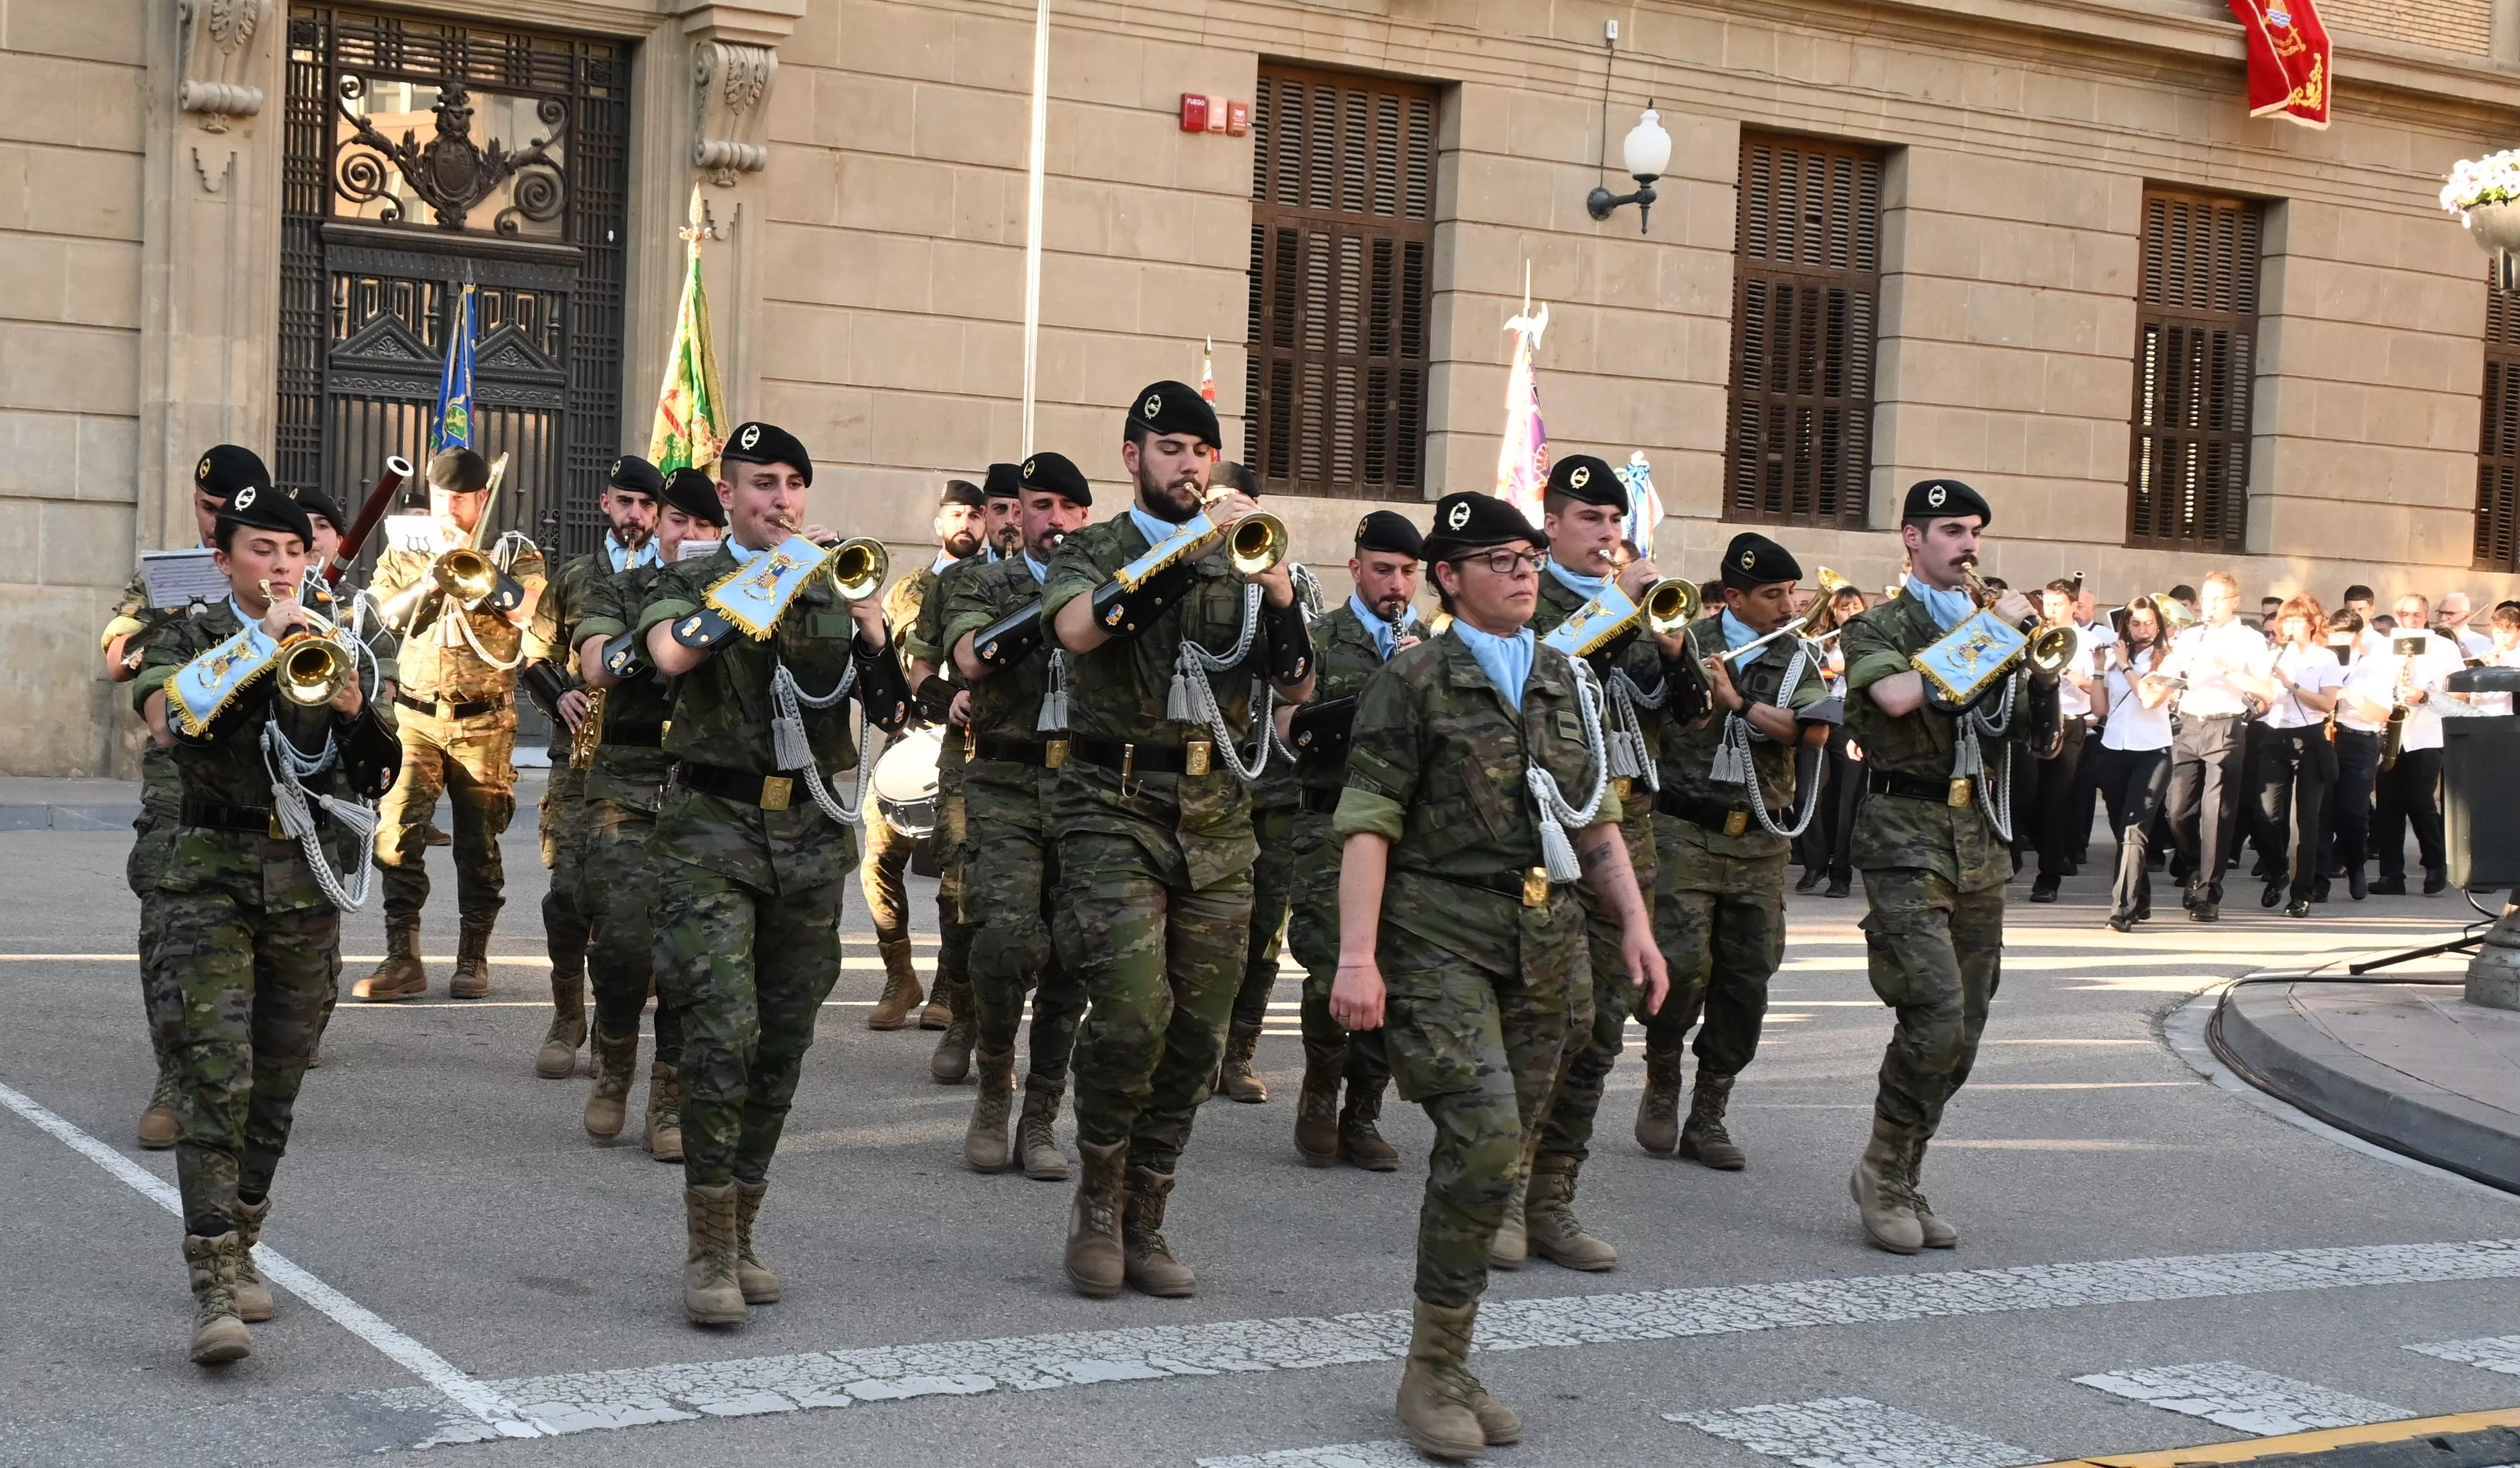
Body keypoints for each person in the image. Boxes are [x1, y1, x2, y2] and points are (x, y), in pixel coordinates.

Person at [1328, 490, 1667, 1462]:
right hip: (1438, 935)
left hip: (1546, 940)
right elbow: (1367, 820)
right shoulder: (1416, 679)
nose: (1523, 572)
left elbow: (1591, 814)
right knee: (1481, 1138)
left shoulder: (1561, 673)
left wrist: (1636, 926)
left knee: (1505, 1152)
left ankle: (1456, 1356)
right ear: (1449, 576)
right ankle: (1430, 1373)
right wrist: (1358, 958)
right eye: (1499, 559)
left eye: (1528, 556)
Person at [1040, 382, 1314, 1300]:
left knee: (1198, 1035)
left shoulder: (1245, 557)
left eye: (1202, 451)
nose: (1190, 466)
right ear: (1133, 459)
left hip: (1216, 814)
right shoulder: (1093, 548)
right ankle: (1097, 1198)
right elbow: (1080, 630)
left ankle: (1147, 1217)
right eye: (1171, 450)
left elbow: (1299, 686)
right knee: (1129, 1014)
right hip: (1110, 805)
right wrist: (1181, 557)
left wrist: (1275, 587)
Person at [634, 421, 911, 1325]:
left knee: (782, 1042)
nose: (782, 501)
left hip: (806, 840)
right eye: (762, 484)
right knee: (722, 1032)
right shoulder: (685, 575)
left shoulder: (836, 582)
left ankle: (744, 1224)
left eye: (794, 484)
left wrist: (871, 625)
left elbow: (891, 708)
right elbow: (671, 654)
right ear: (727, 492)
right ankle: (707, 1250)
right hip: (710, 832)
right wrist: (771, 578)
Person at [136, 482, 399, 1363]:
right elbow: (169, 719)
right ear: (224, 559)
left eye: (293, 552)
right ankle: (210, 1279)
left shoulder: (341, 637)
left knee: (278, 1080)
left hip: (302, 885)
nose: (281, 566)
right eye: (261, 551)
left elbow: (380, 769)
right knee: (219, 1073)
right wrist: (261, 644)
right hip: (206, 880)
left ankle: (244, 1236)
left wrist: (356, 705)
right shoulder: (187, 631)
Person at [1838, 478, 2058, 1255]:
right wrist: (1994, 637)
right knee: (1931, 1013)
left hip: (1980, 836)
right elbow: (1898, 697)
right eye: (1954, 531)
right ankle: (1882, 1172)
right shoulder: (1875, 627)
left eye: (1975, 533)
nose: (1970, 546)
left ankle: (1903, 1165)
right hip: (1905, 831)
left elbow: (2038, 737)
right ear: (1912, 538)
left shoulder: (1984, 623)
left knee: (1964, 1028)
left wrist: (2041, 665)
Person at [1516, 453, 1680, 1271]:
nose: (1607, 534)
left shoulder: (1643, 609)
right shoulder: (1526, 598)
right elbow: (1541, 676)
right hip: (1544, 833)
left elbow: (1679, 717)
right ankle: (1504, 1196)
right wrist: (1620, 608)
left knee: (1602, 1029)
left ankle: (1554, 1199)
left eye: (1615, 521)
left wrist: (1675, 642)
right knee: (1549, 1022)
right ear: (1553, 525)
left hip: (1625, 829)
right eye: (1591, 519)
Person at [1634, 533, 1818, 1175]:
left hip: (1760, 840)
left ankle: (1709, 1110)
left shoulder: (1798, 656)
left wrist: (1743, 704)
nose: (1787, 603)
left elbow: (1810, 728)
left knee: (1747, 981)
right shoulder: (1687, 638)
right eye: (1774, 594)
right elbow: (1650, 704)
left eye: (1791, 591)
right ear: (1734, 597)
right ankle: (1662, 1072)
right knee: (1682, 966)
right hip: (1685, 831)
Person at [945, 452, 1097, 1178]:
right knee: (1006, 938)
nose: (1055, 521)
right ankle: (993, 1083)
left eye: (1070, 509)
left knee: (1071, 953)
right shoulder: (984, 580)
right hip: (1005, 779)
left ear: (1086, 517)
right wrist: (1060, 604)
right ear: (1018, 512)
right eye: (1041, 506)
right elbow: (973, 658)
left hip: (1088, 787)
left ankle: (1041, 1112)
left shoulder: (1111, 587)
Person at [103, 445, 255, 1149]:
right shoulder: (162, 575)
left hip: (259, 775)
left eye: (225, 512)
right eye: (205, 509)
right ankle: (174, 1073)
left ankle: (244, 1065)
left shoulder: (284, 568)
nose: (211, 522)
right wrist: (165, 632)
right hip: (177, 777)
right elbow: (116, 656)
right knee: (168, 930)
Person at [566, 466, 720, 1161]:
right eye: (677, 521)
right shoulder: (618, 584)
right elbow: (596, 664)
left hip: (704, 787)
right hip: (626, 779)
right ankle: (617, 1054)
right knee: (625, 940)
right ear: (657, 523)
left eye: (702, 525)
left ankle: (669, 1090)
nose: (688, 535)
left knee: (691, 953)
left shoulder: (741, 596)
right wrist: (672, 629)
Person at [357, 448, 548, 1000]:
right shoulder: (406, 549)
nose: (449, 509)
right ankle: (403, 958)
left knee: (479, 842)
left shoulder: (514, 551)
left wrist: (476, 567)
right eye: (441, 498)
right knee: (396, 837)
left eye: (460, 499)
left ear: (481, 499)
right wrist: (431, 580)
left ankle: (473, 954)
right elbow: (380, 616)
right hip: (415, 716)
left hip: (484, 720)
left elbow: (527, 611)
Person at [1278, 511, 1421, 1170]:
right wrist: (1383, 691)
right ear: (1356, 568)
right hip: (1329, 824)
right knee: (1332, 968)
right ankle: (1318, 1090)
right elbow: (1291, 729)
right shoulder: (1321, 638)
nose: (1396, 584)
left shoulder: (1433, 646)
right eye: (1385, 569)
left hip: (1405, 833)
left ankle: (1364, 1110)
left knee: (1394, 969)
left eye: (1408, 572)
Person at [525, 455, 662, 1079]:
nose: (634, 513)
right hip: (578, 761)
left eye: (646, 504)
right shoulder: (576, 575)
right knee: (568, 896)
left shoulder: (673, 577)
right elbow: (534, 653)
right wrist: (559, 692)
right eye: (625, 500)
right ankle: (565, 1013)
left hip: (646, 763)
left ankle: (615, 1031)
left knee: (630, 907)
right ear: (606, 503)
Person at [863, 478, 988, 1030]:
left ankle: (943, 987)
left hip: (967, 746)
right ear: (939, 523)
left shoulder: (991, 584)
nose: (968, 523)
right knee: (876, 863)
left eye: (976, 514)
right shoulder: (907, 589)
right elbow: (887, 660)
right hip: (909, 741)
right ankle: (899, 975)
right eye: (957, 514)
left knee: (955, 878)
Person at [1218, 461, 1301, 1105]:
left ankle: (1239, 1048)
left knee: (1265, 923)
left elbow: (1303, 676)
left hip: (1269, 782)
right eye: (1222, 502)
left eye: (1244, 504)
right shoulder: (1180, 573)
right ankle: (1196, 1038)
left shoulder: (1293, 581)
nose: (1234, 515)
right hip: (1204, 779)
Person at [2155, 572, 2272, 922]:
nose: (2211, 606)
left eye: (2218, 599)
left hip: (2226, 724)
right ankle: (2195, 866)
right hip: (2188, 723)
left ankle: (2209, 892)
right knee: (2177, 810)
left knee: (2217, 811)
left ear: (2235, 601)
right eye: (2207, 599)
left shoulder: (2249, 639)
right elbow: (2168, 675)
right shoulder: (2190, 636)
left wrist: (2229, 672)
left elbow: (2267, 691)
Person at [2243, 595, 2341, 918]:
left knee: (2307, 821)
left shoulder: (2326, 658)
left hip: (2310, 738)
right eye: (2287, 620)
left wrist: (2293, 684)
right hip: (2276, 735)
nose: (2290, 625)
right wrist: (2255, 702)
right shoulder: (2276, 655)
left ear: (2313, 623)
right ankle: (2277, 869)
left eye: (2298, 620)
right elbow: (2269, 699)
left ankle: (2302, 892)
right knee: (2266, 814)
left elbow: (2328, 704)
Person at [2364, 595, 2465, 895]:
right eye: (2404, 614)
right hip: (2390, 733)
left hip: (2428, 734)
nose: (2410, 620)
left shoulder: (2444, 647)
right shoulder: (2383, 648)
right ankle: (2391, 875)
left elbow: (2460, 696)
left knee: (2419, 800)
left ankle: (2436, 864)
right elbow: (2369, 686)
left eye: (2416, 614)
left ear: (2426, 615)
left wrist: (2424, 696)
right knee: (2388, 805)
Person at [2091, 599, 2176, 931]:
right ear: (2126, 625)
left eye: (2149, 623)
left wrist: (2127, 666)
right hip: (2113, 750)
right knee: (2121, 831)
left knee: (2133, 830)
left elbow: (2150, 699)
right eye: (2136, 623)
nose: (2143, 630)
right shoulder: (2115, 660)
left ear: (2158, 625)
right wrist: (2100, 667)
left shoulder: (2168, 659)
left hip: (2152, 752)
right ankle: (2140, 900)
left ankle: (2122, 909)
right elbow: (2100, 709)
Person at [2020, 580, 2094, 903]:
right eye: (2047, 604)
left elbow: (2096, 688)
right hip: (2034, 720)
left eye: (2058, 605)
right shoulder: (2034, 635)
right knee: (2024, 798)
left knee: (2056, 801)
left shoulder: (2087, 641)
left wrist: (2071, 678)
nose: (2050, 611)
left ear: (2074, 607)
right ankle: (2050, 849)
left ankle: (2048, 877)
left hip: (2069, 722)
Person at [1796, 584, 1868, 899]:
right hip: (1818, 721)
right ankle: (1814, 864)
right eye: (1843, 608)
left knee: (1846, 801)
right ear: (1832, 613)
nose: (1849, 613)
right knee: (1810, 794)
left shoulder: (1871, 642)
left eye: (1855, 607)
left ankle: (1841, 872)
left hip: (1851, 724)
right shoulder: (1822, 642)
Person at [2326, 608, 2383, 901]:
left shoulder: (2373, 666)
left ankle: (2356, 865)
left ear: (2359, 636)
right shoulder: (2323, 661)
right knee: (2321, 811)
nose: (2340, 642)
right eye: (2335, 636)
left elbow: (2383, 714)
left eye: (2346, 636)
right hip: (2325, 738)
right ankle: (2318, 877)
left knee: (2353, 810)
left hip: (2359, 739)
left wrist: (2349, 695)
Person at [2437, 591, 2494, 661]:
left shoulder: (2482, 641)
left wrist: (2458, 642)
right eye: (2441, 613)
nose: (2443, 618)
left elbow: (2476, 668)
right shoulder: (2430, 638)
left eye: (2450, 613)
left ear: (2465, 616)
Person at [981, 461, 1023, 556]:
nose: (1010, 521)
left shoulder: (1050, 571)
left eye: (1019, 512)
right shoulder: (957, 571)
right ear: (984, 514)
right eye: (1000, 509)